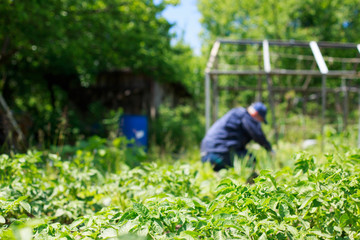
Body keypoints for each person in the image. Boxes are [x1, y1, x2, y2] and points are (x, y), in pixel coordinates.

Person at [200, 102, 274, 171]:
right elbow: (257, 135)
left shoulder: (236, 114)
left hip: (206, 154)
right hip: (219, 154)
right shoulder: (244, 115)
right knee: (250, 159)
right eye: (260, 120)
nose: (258, 123)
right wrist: (269, 149)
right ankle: (250, 182)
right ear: (255, 114)